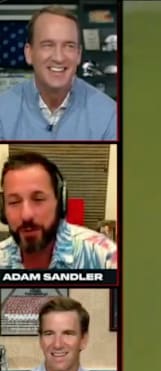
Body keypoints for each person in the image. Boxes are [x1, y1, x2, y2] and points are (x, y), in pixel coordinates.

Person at [0, 6, 116, 141]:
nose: (59, 58)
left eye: (69, 46)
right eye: (48, 45)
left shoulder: (109, 114)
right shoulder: (3, 111)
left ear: (78, 55)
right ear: (29, 53)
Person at [0, 152, 117, 269]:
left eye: (38, 199)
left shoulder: (105, 256)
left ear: (60, 202)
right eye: (14, 202)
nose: (26, 215)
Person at [0, 297, 116, 371]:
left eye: (68, 333)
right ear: (40, 340)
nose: (57, 344)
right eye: (49, 334)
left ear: (83, 340)